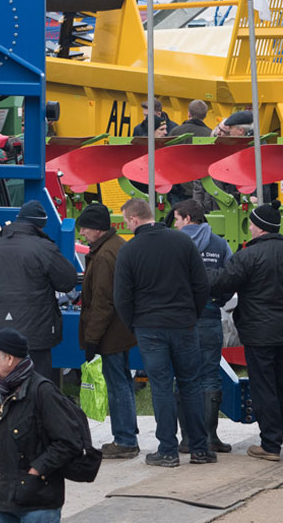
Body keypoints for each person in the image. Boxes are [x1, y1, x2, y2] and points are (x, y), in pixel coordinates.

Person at [113, 198, 216, 467]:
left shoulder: (129, 250)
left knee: (161, 387)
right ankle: (199, 449)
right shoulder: (182, 242)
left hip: (149, 327)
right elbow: (201, 284)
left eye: (126, 221)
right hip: (184, 324)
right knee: (190, 384)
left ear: (134, 220)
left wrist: (133, 324)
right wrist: (191, 314)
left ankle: (168, 451)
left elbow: (122, 297)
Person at [208, 200, 283, 462]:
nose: (248, 226)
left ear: (259, 227)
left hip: (259, 334)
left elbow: (223, 282)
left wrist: (196, 274)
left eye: (251, 222)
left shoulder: (248, 256)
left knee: (264, 387)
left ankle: (270, 444)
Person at [0, 328, 82, 523]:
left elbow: (69, 442)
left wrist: (35, 472)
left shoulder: (43, 393)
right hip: (1, 504)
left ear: (9, 359)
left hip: (38, 507)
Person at [0, 200, 77, 379]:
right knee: (36, 386)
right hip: (35, 335)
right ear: (40, 225)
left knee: (5, 384)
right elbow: (67, 281)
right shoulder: (44, 248)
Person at [78, 203, 139, 459]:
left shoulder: (104, 256)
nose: (81, 233)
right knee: (123, 381)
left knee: (116, 384)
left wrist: (92, 339)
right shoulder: (117, 246)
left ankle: (125, 440)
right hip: (122, 328)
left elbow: (103, 301)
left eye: (84, 228)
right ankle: (129, 433)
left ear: (96, 229)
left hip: (110, 332)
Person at [172, 199, 233, 453]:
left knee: (184, 376)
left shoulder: (172, 243)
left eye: (176, 218)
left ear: (187, 218)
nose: (175, 223)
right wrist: (218, 301)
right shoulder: (220, 244)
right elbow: (231, 279)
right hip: (209, 316)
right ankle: (209, 437)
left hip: (180, 319)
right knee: (210, 376)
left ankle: (187, 439)